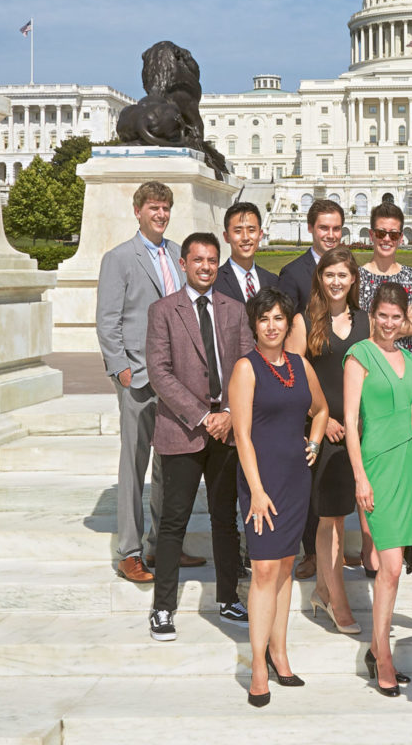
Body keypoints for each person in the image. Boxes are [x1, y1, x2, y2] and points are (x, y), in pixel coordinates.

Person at [144, 233, 255, 641]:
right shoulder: (163, 311)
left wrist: (229, 413)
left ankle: (228, 597)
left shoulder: (234, 310)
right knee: (173, 521)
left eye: (211, 260)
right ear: (183, 264)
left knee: (225, 520)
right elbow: (160, 372)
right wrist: (202, 416)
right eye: (198, 260)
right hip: (182, 431)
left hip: (226, 432)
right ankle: (162, 607)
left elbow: (247, 363)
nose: (205, 267)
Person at [96, 181, 203, 583]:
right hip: (138, 378)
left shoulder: (178, 255)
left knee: (169, 466)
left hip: (175, 380)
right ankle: (129, 551)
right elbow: (108, 319)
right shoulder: (119, 258)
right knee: (134, 464)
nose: (160, 214)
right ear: (138, 211)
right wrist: (120, 369)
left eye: (165, 208)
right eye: (154, 208)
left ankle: (163, 544)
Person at [230, 288, 330, 707]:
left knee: (286, 565)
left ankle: (280, 653)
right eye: (264, 319)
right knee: (264, 569)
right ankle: (257, 664)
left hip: (295, 479)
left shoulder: (300, 365)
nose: (271, 326)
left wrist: (315, 442)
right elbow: (241, 436)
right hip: (261, 480)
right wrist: (256, 491)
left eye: (278, 318)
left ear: (289, 324)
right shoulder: (246, 368)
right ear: (254, 325)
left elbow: (321, 410)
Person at [344, 282, 412, 697]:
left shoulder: (409, 359)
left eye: (397, 317)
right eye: (383, 316)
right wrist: (360, 476)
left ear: (404, 319)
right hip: (376, 464)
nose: (390, 324)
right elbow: (350, 422)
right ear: (372, 315)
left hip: (406, 465)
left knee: (393, 566)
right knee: (389, 566)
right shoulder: (358, 356)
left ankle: (378, 648)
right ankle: (383, 656)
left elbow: (411, 417)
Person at [286, 246, 368, 635]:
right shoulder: (304, 321)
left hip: (361, 432)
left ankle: (322, 590)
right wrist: (324, 418)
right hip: (326, 432)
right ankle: (338, 601)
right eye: (329, 274)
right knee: (331, 518)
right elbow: (290, 376)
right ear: (320, 278)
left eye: (343, 275)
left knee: (344, 514)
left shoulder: (366, 322)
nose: (336, 281)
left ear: (353, 280)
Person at [276, 199, 345, 581]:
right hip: (307, 393)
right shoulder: (293, 273)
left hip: (338, 387)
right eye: (324, 228)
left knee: (331, 482)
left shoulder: (346, 269)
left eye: (336, 228)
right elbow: (286, 340)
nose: (330, 234)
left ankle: (331, 550)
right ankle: (311, 553)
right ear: (311, 229)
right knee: (307, 480)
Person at [357, 202, 412, 483]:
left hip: (406, 383)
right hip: (370, 383)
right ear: (371, 234)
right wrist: (405, 321)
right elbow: (357, 330)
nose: (387, 239)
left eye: (393, 234)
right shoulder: (357, 278)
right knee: (375, 464)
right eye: (381, 233)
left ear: (401, 237)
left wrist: (379, 326)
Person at [215, 201, 279, 304]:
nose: (245, 237)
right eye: (238, 231)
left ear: (260, 235)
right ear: (226, 237)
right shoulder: (215, 282)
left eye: (251, 230)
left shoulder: (273, 281)